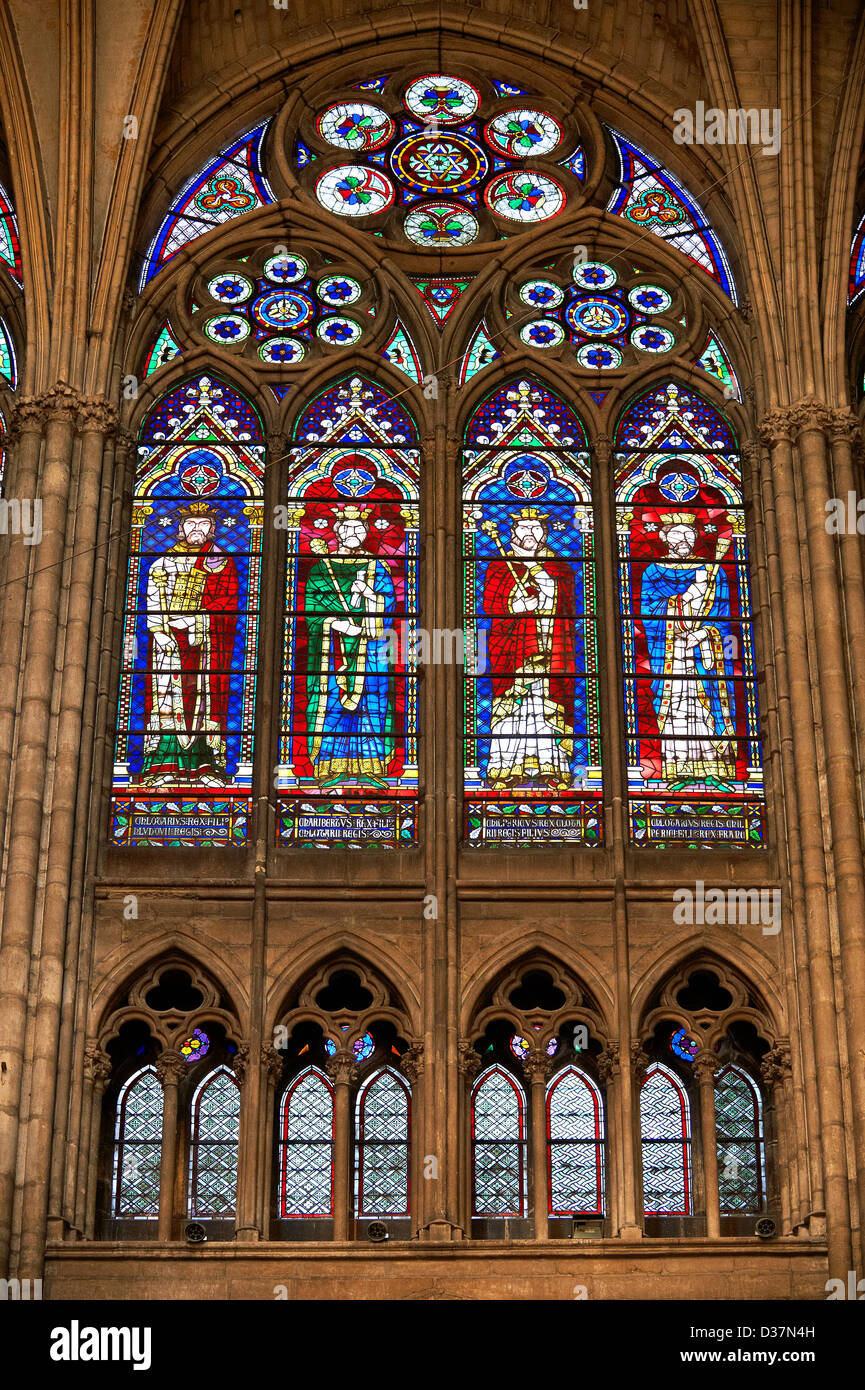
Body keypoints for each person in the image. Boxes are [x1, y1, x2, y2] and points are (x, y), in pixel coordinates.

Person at [140, 501, 238, 787]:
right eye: (191, 524)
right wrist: (160, 630)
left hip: (203, 643)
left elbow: (228, 603)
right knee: (167, 700)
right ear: (181, 529)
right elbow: (153, 600)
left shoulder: (220, 563)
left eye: (204, 524)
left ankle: (204, 767)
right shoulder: (162, 563)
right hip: (168, 643)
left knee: (202, 702)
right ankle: (162, 767)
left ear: (212, 529)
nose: (197, 529)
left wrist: (198, 621)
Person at [639, 512, 736, 790]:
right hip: (669, 654)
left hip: (705, 657)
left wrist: (705, 633)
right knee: (677, 709)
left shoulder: (712, 573)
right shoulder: (653, 572)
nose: (684, 539)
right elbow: (650, 614)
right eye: (676, 533)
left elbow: (726, 618)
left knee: (705, 707)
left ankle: (714, 769)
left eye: (689, 534)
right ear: (663, 536)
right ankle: (677, 768)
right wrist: (687, 597)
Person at [481, 507, 577, 787]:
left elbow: (566, 604)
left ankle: (552, 766)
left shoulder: (559, 566)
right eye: (524, 529)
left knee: (546, 710)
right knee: (513, 710)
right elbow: (490, 606)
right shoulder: (500, 565)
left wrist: (536, 570)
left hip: (550, 647)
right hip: (512, 651)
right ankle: (506, 767)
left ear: (545, 533)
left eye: (536, 529)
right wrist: (515, 606)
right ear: (513, 533)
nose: (530, 535)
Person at [303, 505, 396, 785]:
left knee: (372, 702)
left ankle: (370, 768)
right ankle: (330, 767)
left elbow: (389, 603)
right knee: (331, 701)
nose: (353, 533)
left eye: (358, 528)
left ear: (366, 532)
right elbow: (311, 606)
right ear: (337, 532)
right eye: (346, 528)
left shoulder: (375, 566)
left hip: (370, 648)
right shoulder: (322, 568)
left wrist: (369, 595)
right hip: (330, 650)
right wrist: (335, 624)